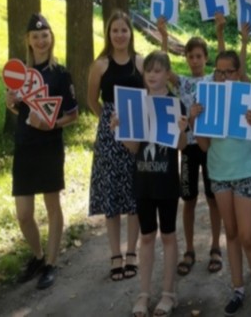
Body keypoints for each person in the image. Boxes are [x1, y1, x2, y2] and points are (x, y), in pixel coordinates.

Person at [192, 49, 251, 317]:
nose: (223, 76)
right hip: (219, 173)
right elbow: (203, 146)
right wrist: (194, 121)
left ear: (238, 73)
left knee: (249, 236)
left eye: (228, 71)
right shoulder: (207, 97)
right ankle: (237, 288)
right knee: (232, 233)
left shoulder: (248, 96)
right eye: (218, 71)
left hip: (246, 171)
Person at [110, 50, 187, 317]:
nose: (152, 75)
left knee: (167, 235)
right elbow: (133, 148)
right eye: (149, 71)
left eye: (158, 70)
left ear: (167, 74)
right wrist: (120, 130)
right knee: (146, 237)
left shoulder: (176, 104)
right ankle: (144, 293)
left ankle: (168, 293)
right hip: (142, 181)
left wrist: (182, 128)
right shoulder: (137, 104)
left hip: (166, 182)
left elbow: (181, 146)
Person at [4, 13, 78, 290]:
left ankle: (50, 262)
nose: (41, 40)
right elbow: (17, 108)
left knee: (52, 206)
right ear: (28, 40)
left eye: (44, 35)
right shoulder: (19, 73)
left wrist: (50, 125)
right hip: (24, 147)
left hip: (49, 147)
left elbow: (74, 114)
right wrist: (10, 101)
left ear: (51, 38)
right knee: (23, 214)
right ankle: (36, 256)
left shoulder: (61, 74)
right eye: (35, 36)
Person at [157, 17, 223, 277]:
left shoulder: (213, 79)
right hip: (188, 149)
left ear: (206, 58)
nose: (194, 60)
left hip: (210, 147)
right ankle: (190, 249)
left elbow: (224, 62)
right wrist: (163, 36)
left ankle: (216, 247)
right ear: (185, 58)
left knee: (213, 199)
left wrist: (219, 32)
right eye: (190, 56)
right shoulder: (182, 83)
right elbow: (162, 67)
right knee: (189, 200)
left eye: (198, 56)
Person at [87, 10, 144, 281]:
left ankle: (132, 251)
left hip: (135, 135)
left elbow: (151, 95)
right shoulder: (100, 65)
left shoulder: (140, 63)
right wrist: (107, 120)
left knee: (133, 195)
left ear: (130, 33)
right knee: (111, 196)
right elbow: (91, 100)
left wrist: (135, 125)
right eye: (115, 30)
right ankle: (115, 254)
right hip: (109, 138)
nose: (120, 35)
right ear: (108, 34)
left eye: (124, 30)